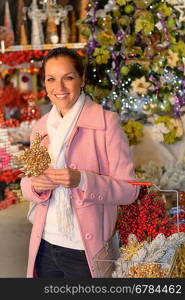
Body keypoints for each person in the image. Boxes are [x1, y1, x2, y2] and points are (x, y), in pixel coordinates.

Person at [20, 47, 139, 278]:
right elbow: (26, 182)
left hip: (85, 250)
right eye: (51, 79)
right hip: (44, 244)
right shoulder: (41, 127)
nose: (59, 87)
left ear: (82, 79)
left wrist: (82, 180)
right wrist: (36, 186)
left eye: (69, 78)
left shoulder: (106, 123)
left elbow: (130, 190)